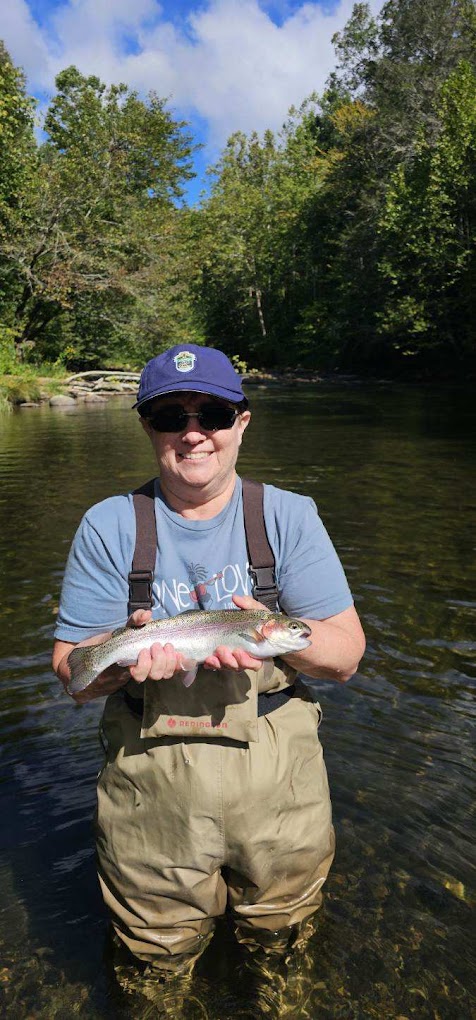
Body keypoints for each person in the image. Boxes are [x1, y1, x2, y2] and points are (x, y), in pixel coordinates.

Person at [52, 344, 365, 1005]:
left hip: (280, 784)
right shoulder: (109, 525)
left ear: (242, 423)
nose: (193, 433)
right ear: (148, 427)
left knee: (284, 941)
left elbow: (345, 656)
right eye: (172, 417)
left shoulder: (288, 516)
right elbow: (70, 670)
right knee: (151, 959)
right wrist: (120, 661)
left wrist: (282, 641)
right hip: (150, 789)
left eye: (214, 415)